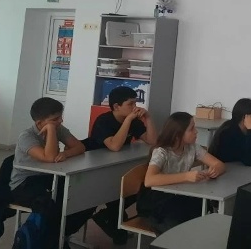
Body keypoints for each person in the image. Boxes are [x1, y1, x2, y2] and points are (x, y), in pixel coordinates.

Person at [9, 97, 95, 248]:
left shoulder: (58, 128)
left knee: (85, 198)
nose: (60, 121)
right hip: (24, 184)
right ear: (39, 123)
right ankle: (51, 241)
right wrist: (50, 130)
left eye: (60, 117)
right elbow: (49, 157)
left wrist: (65, 153)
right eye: (55, 119)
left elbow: (80, 147)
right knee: (51, 205)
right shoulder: (26, 137)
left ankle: (61, 235)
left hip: (48, 179)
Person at [89, 86, 157, 244]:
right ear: (116, 106)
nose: (135, 107)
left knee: (140, 189)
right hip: (97, 167)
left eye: (136, 103)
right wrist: (128, 120)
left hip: (117, 165)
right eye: (130, 104)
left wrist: (148, 119)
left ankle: (112, 219)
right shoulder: (104, 121)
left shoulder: (133, 121)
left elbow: (152, 141)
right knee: (115, 196)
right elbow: (114, 146)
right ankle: (113, 220)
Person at [137, 112, 226, 233]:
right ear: (178, 134)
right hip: (156, 199)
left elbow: (218, 164)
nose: (196, 131)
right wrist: (186, 176)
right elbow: (149, 180)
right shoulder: (161, 151)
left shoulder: (193, 147)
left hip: (178, 195)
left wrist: (215, 169)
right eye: (192, 129)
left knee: (201, 207)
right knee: (178, 222)